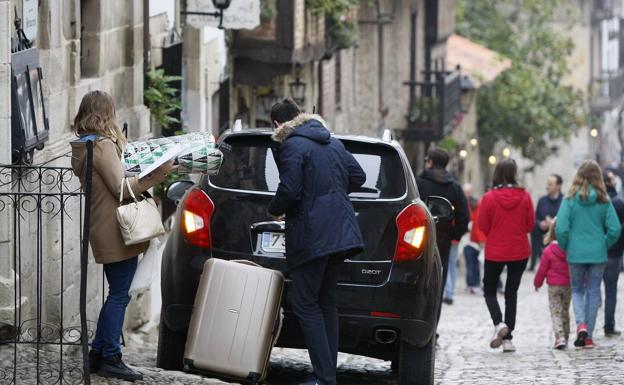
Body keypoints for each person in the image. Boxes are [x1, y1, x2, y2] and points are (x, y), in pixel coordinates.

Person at [70, 91, 176, 381]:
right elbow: (120, 187)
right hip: (115, 229)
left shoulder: (85, 145)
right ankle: (111, 357)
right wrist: (159, 174)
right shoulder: (101, 146)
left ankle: (97, 353)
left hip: (103, 226)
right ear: (106, 113)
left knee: (116, 293)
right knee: (119, 295)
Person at [267, 99, 365, 385]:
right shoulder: (332, 142)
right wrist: (330, 192)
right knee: (325, 302)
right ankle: (327, 374)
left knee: (305, 302)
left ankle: (324, 377)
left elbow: (289, 189)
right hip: (341, 232)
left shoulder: (292, 145)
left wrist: (274, 209)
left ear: (277, 124)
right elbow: (358, 176)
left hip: (313, 234)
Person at [555, 160, 621, 349]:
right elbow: (615, 229)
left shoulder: (569, 199)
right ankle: (589, 336)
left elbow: (561, 228)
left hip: (575, 252)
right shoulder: (604, 200)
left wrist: (566, 245)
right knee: (593, 290)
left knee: (577, 289)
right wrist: (603, 243)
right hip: (597, 253)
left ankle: (581, 324)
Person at [478, 158, 534, 353]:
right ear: (514, 173)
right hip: (519, 251)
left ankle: (498, 323)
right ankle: (508, 339)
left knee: (489, 290)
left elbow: (482, 226)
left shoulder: (488, 198)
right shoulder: (525, 196)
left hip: (495, 251)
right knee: (511, 293)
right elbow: (530, 225)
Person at [416, 148, 469, 308]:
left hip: (419, 237)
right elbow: (463, 217)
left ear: (430, 162)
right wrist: (454, 234)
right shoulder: (454, 187)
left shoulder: (419, 183)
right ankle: (434, 326)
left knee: (417, 280)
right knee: (438, 283)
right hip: (443, 239)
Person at [534, 220, 571, 349]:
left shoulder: (548, 250)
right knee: (565, 311)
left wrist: (537, 283)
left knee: (556, 311)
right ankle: (565, 336)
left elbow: (542, 270)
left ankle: (559, 337)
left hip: (554, 286)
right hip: (568, 285)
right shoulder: (571, 249)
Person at [603, 170, 624, 337]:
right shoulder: (617, 202)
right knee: (610, 290)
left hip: (596, 251)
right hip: (614, 252)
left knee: (593, 290)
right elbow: (619, 229)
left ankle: (586, 328)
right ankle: (609, 325)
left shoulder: (597, 201)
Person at [529, 174, 563, 271]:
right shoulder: (542, 200)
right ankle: (534, 261)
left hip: (558, 231)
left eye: (551, 184)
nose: (547, 186)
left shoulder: (565, 200)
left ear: (558, 186)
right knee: (534, 228)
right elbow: (536, 218)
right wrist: (540, 223)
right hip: (543, 231)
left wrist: (553, 222)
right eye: (547, 183)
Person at [463, 183, 486, 295]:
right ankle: (470, 284)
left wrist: (481, 240)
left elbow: (477, 222)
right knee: (470, 263)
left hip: (474, 238)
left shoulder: (475, 203)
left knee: (475, 263)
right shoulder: (462, 203)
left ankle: (474, 283)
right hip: (466, 238)